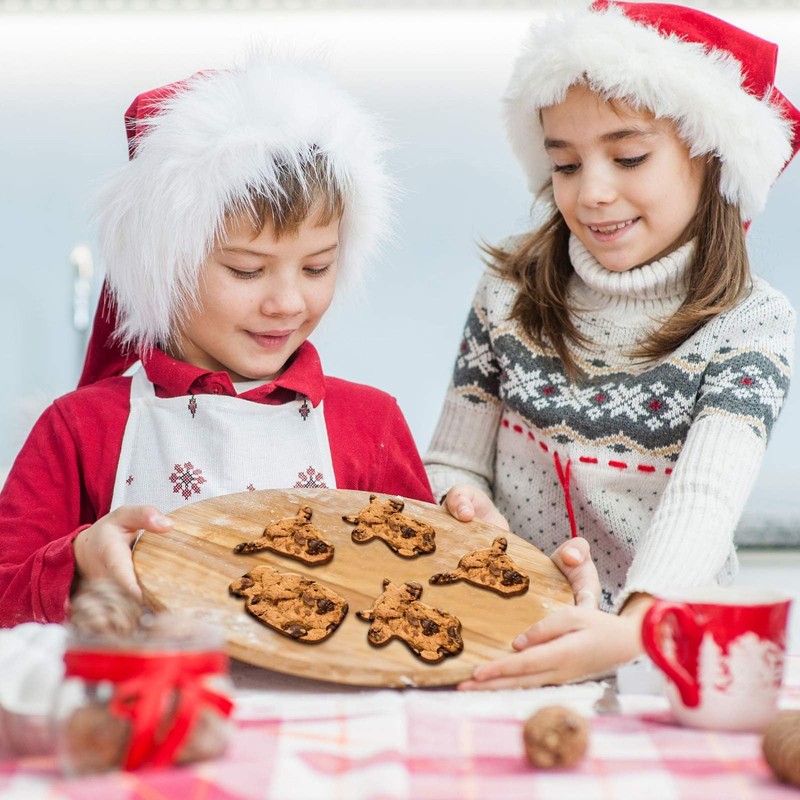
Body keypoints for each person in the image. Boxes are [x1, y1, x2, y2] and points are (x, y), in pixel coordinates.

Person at [425, 0, 800, 689]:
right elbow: (453, 461)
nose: (592, 193)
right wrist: (466, 511)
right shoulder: (505, 293)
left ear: (711, 156)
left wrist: (632, 627)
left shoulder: (753, 324)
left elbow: (704, 502)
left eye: (629, 157)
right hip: (518, 636)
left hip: (668, 652)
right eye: (565, 165)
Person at [0, 57, 436, 626]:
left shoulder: (370, 424)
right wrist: (82, 559)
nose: (287, 303)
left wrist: (461, 529)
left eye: (316, 267)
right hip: (149, 708)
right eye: (247, 271)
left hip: (326, 714)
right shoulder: (81, 429)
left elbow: (430, 588)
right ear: (165, 267)